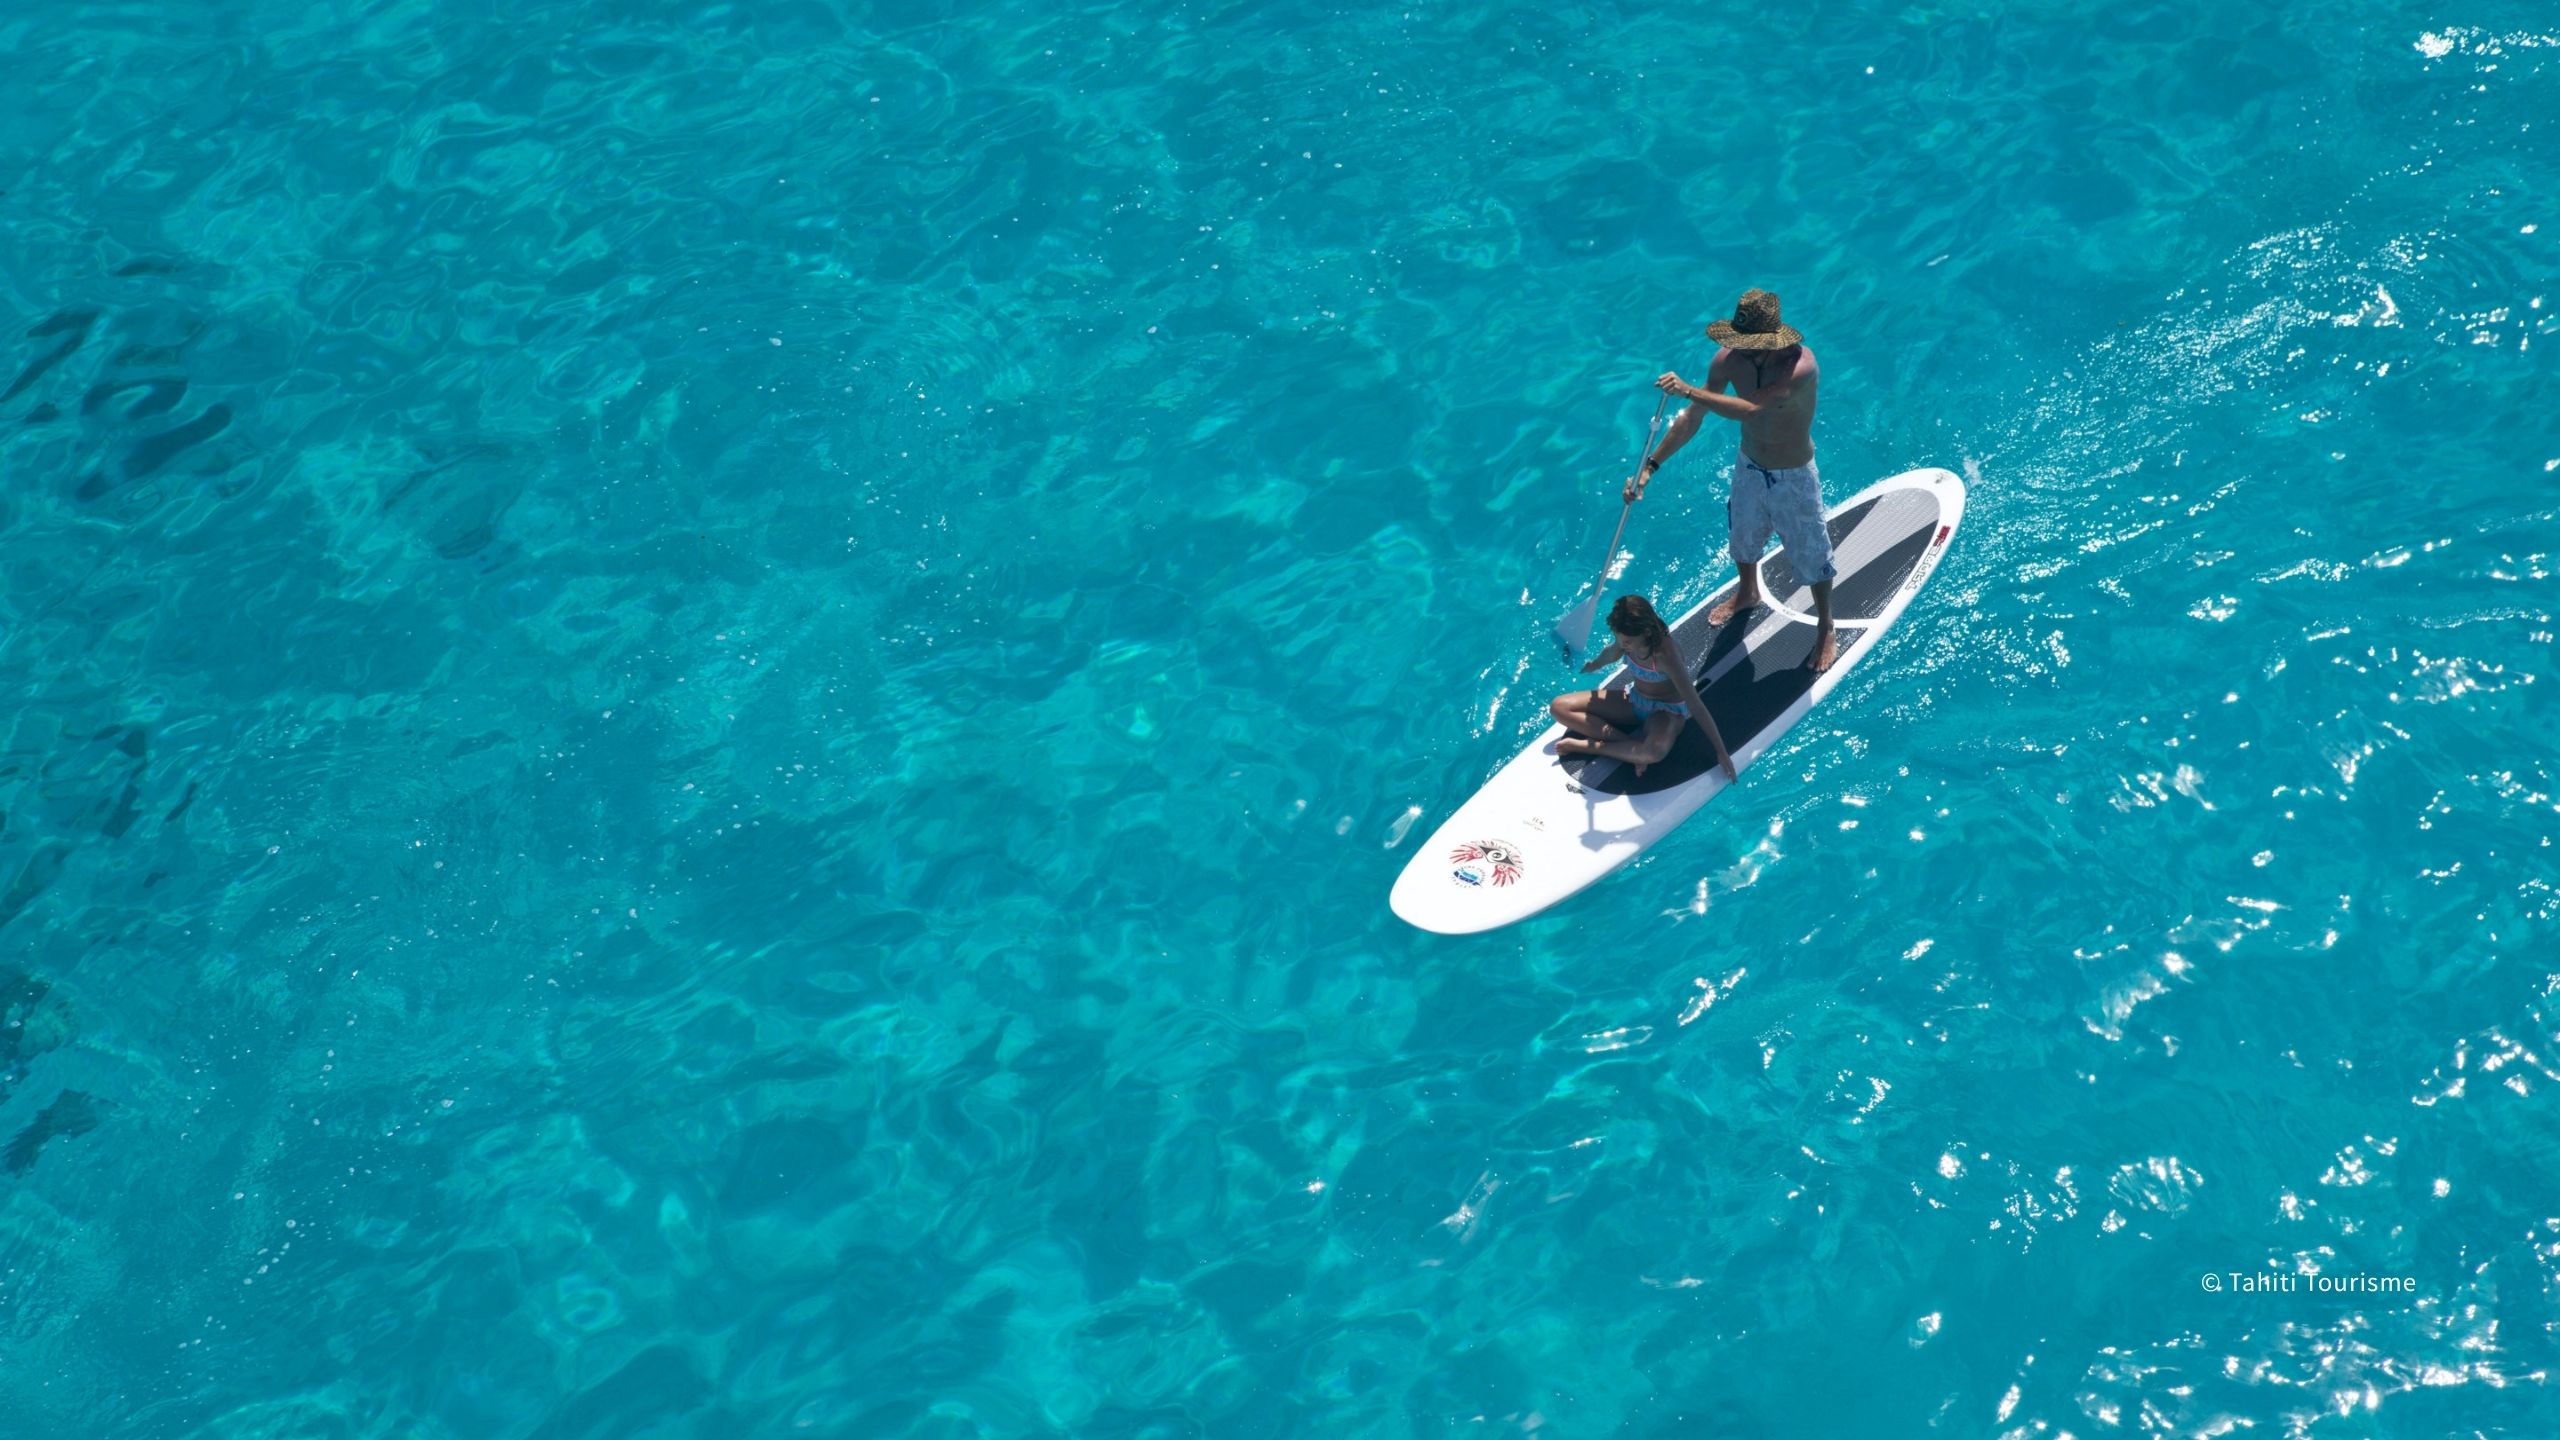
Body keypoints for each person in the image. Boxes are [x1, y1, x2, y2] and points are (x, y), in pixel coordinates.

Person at [1622, 288, 1839, 671]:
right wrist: (1651, 467)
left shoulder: (1799, 367)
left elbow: (1752, 409)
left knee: (1812, 555)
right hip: (1750, 466)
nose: (1738, 349)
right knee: (1742, 537)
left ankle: (1825, 625)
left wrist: (1689, 389)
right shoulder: (1728, 361)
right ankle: (1748, 591)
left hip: (1794, 474)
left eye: (1747, 343)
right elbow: (1694, 415)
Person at [1549, 595, 1735, 780]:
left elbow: (1695, 705)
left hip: (1665, 713)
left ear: (1647, 632)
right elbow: (1612, 652)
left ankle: (1590, 746)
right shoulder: (1627, 640)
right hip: (1634, 700)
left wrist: (1721, 751)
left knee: (1653, 753)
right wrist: (1595, 664)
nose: (1623, 645)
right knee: (1559, 707)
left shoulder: (1665, 656)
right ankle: (1628, 745)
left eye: (1627, 641)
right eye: (1619, 638)